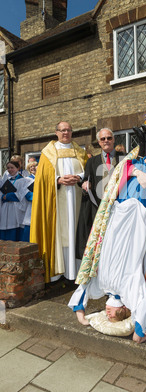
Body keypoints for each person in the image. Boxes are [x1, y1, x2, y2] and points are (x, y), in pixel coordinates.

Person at [68, 121, 146, 342]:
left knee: (133, 247)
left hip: (128, 213)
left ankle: (145, 145)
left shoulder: (102, 285)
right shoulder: (131, 288)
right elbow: (127, 169)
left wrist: (83, 314)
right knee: (138, 244)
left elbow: (84, 289)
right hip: (144, 213)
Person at [30, 121, 88, 283]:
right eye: (63, 130)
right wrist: (58, 179)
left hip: (77, 199)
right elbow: (41, 179)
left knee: (76, 231)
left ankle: (75, 270)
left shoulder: (80, 151)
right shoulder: (48, 153)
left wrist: (79, 177)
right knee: (60, 233)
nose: (66, 133)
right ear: (56, 132)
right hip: (56, 200)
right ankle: (57, 270)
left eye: (69, 130)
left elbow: (87, 172)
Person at [76, 128, 125, 259]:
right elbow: (86, 178)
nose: (106, 141)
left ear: (114, 139)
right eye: (103, 139)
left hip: (119, 207)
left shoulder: (124, 158)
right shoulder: (92, 161)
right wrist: (85, 183)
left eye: (109, 138)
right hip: (99, 207)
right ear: (99, 142)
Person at [0, 161, 32, 241]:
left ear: (18, 168)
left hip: (15, 209)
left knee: (14, 230)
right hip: (5, 209)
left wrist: (11, 196)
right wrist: (3, 196)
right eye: (8, 168)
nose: (10, 170)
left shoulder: (24, 181)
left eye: (12, 167)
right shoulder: (4, 181)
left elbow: (23, 194)